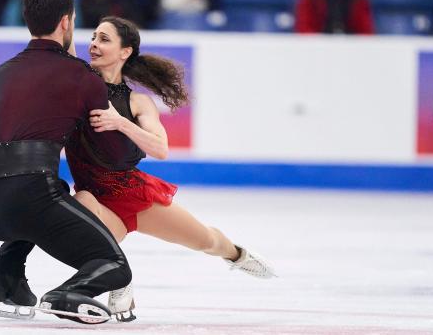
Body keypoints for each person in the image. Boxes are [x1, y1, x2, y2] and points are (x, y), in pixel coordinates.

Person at [0, 0, 133, 324]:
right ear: (67, 23)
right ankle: (66, 294)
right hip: (30, 198)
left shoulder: (2, 72)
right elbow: (105, 148)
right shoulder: (81, 76)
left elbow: (59, 34)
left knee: (41, 201)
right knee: (114, 265)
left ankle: (4, 276)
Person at [65, 16, 276, 318]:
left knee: (206, 240)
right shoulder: (81, 82)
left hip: (134, 195)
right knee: (80, 211)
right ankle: (120, 281)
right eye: (94, 37)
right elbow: (64, 28)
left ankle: (237, 254)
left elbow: (160, 148)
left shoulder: (138, 103)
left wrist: (120, 122)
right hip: (96, 198)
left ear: (125, 52)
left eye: (105, 39)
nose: (95, 45)